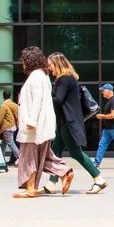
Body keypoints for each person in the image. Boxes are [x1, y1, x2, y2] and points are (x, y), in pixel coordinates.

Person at [13, 46, 73, 199]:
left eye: (24, 60)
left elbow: (37, 100)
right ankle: (64, 172)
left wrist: (32, 120)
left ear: (30, 60)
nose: (22, 64)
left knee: (28, 158)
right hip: (42, 125)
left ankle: (31, 188)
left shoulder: (35, 76)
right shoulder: (43, 76)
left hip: (34, 126)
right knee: (41, 157)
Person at [44, 53, 108, 194]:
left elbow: (58, 99)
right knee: (56, 152)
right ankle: (51, 183)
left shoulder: (64, 79)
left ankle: (99, 179)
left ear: (57, 64)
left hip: (68, 122)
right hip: (65, 122)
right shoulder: (68, 78)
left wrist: (43, 96)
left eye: (50, 65)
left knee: (76, 153)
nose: (49, 68)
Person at [0, 89, 21, 165]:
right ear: (10, 96)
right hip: (13, 127)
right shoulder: (15, 105)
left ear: (3, 96)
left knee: (11, 144)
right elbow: (17, 117)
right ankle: (0, 159)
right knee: (4, 143)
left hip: (7, 127)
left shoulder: (3, 106)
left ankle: (20, 157)